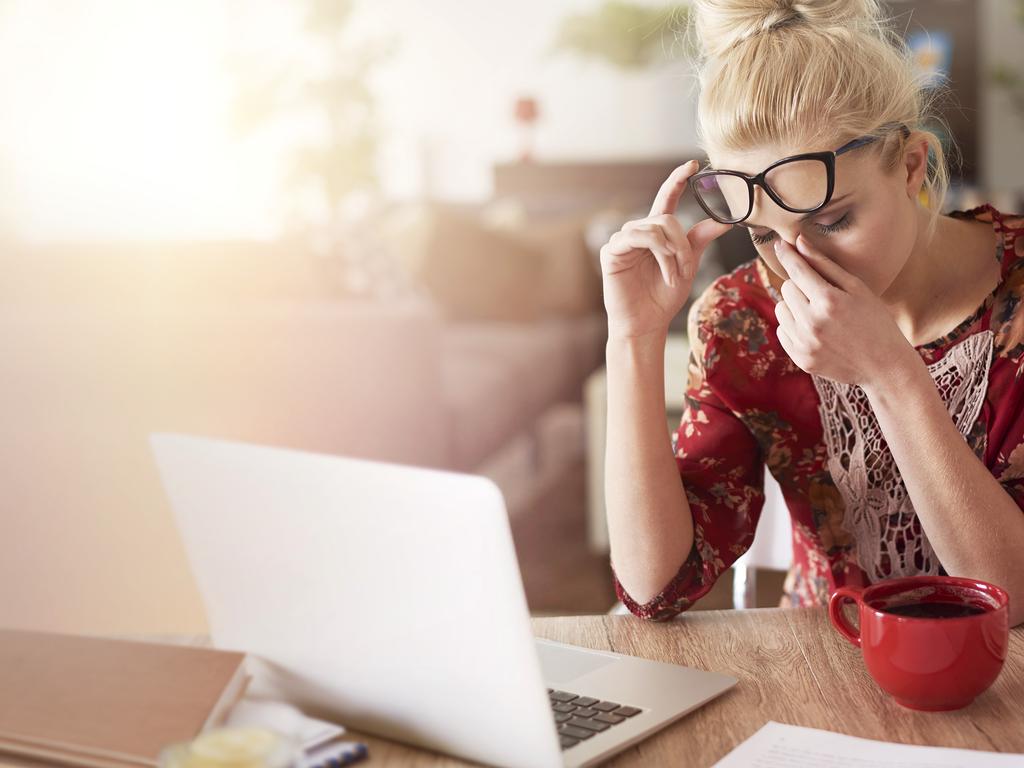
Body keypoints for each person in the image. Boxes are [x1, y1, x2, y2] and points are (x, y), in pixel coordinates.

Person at [601, 0, 1024, 625]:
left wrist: (889, 374)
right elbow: (655, 587)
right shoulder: (743, 320)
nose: (799, 265)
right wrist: (631, 340)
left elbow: (1011, 602)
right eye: (765, 236)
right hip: (822, 671)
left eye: (832, 221)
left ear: (911, 167)